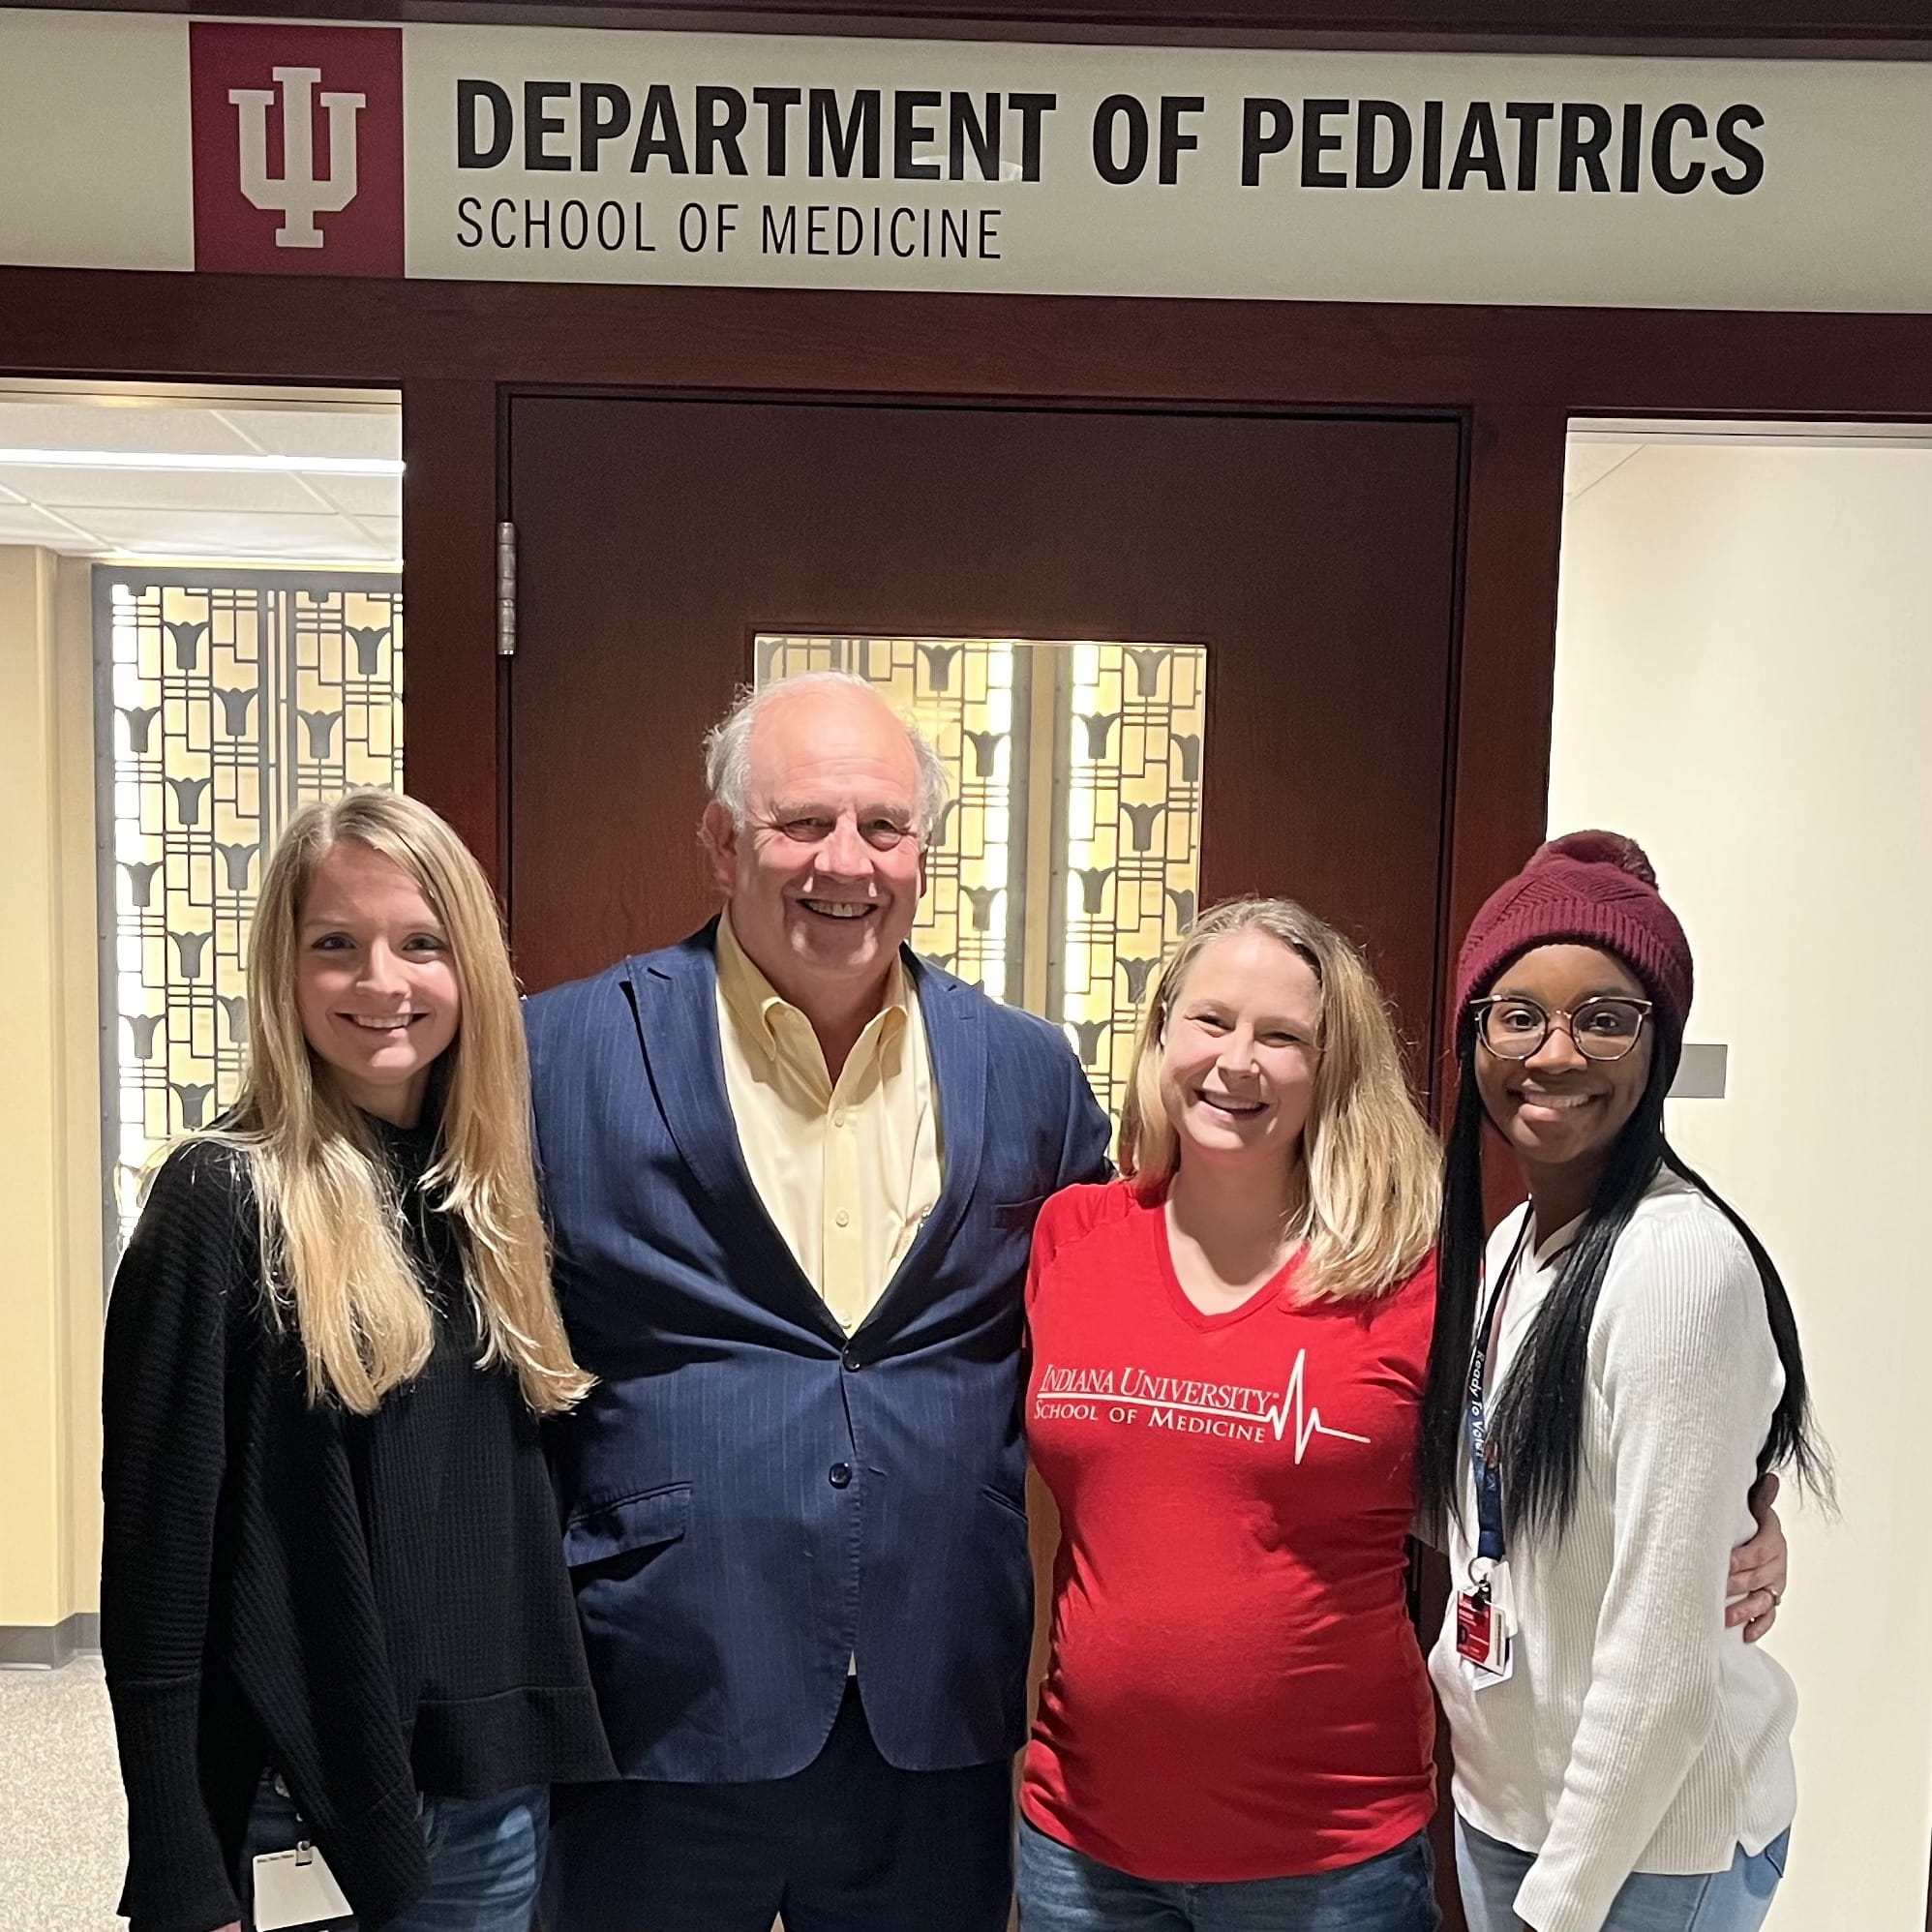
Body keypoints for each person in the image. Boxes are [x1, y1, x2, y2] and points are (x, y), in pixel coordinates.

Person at [528, 671, 1112, 1932]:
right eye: (802, 823)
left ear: (921, 851)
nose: (845, 863)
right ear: (722, 841)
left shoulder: (1029, 1073)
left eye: (884, 827)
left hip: (934, 1708)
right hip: (662, 1702)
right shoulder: (556, 1054)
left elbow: (1114, 1340)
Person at [100, 791, 615, 1932]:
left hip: (495, 1801)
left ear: (468, 965)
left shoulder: (493, 1203)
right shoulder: (219, 1198)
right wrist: (181, 1865)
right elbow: (157, 1571)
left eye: (420, 942)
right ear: (284, 974)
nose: (382, 981)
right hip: (299, 1811)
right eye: (336, 945)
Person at [1418, 831, 1826, 1932]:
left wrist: (1561, 1900)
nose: (1554, 1054)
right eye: (1518, 1014)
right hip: (1515, 1807)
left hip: (1642, 1850)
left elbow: (1664, 1646)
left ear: (1656, 1048)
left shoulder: (1677, 1264)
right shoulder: (1509, 1244)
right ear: (1474, 1036)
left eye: (1603, 1017)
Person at [1019, 897, 1447, 1931]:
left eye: (1282, 1035)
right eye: (1210, 1020)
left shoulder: (1409, 1267)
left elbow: (1524, 1479)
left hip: (1326, 1858)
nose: (1237, 1061)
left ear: (1330, 1065)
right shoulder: (1072, 1235)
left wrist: (1742, 1506)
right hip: (1082, 1846)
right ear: (1162, 1029)